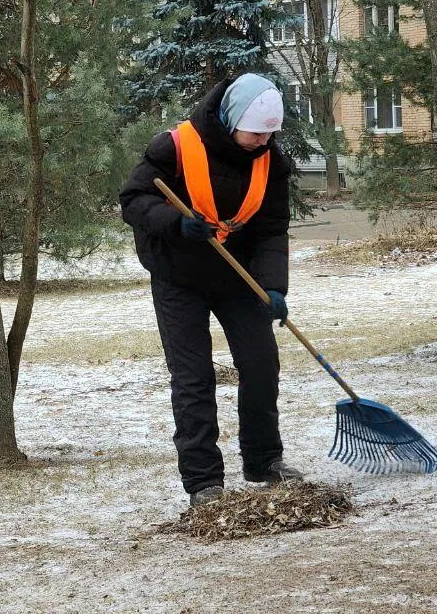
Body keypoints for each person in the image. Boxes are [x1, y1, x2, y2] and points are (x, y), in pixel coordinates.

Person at [120, 73, 302, 507]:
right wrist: (176, 222)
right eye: (256, 133)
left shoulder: (271, 161)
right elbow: (134, 201)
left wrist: (273, 287)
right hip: (178, 275)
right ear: (232, 119)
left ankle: (264, 460)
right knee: (193, 376)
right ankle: (203, 480)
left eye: (270, 134)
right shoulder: (175, 146)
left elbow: (272, 229)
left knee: (260, 364)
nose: (263, 142)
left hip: (238, 277)